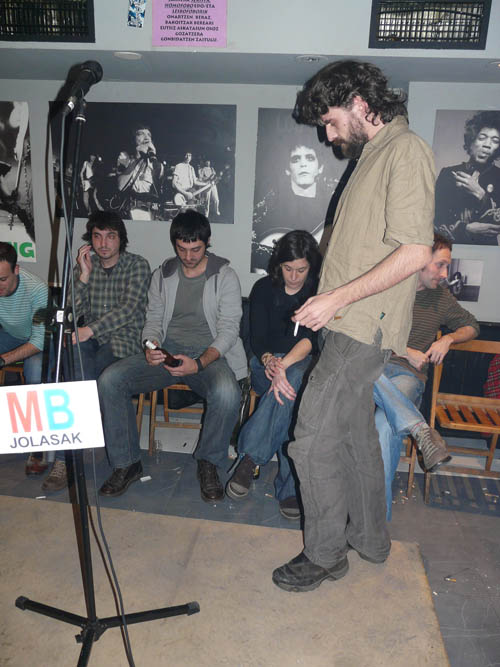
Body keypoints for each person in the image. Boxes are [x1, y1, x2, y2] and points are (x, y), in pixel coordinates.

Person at [272, 60, 435, 593]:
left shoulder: (404, 151)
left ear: (361, 104)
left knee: (311, 440)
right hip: (348, 323)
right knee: (356, 438)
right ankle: (370, 539)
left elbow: (415, 252)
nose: (327, 133)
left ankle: (324, 554)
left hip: (361, 326)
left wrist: (335, 299)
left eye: (330, 120)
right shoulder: (374, 154)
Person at [97, 210, 246, 502]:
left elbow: (229, 330)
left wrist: (199, 363)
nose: (188, 256)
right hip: (168, 352)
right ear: (174, 244)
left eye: (196, 249)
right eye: (182, 249)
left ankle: (208, 463)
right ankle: (127, 463)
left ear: (207, 243)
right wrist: (151, 345)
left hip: (209, 355)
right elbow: (152, 320)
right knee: (110, 380)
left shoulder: (225, 276)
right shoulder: (162, 275)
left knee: (228, 393)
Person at [41, 210, 151, 493]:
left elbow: (129, 309)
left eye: (110, 236)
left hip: (123, 343)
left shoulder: (137, 265)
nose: (103, 243)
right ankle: (69, 455)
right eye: (97, 236)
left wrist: (89, 330)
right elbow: (71, 310)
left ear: (121, 239)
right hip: (90, 342)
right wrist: (84, 276)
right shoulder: (86, 266)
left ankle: (69, 456)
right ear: (90, 240)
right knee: (68, 367)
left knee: (78, 376)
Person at [374, 233, 478, 519]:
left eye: (447, 266)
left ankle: (377, 521)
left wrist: (448, 339)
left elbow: (471, 325)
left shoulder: (440, 298)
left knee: (384, 425)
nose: (445, 274)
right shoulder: (387, 287)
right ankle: (421, 431)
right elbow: (364, 333)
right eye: (440, 265)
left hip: (405, 376)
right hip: (372, 367)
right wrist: (405, 350)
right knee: (362, 366)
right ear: (419, 260)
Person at [226, 231, 322, 519]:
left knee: (291, 385)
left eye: (301, 270)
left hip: (299, 363)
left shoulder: (318, 292)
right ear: (278, 265)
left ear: (311, 267)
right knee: (291, 395)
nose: (294, 276)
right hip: (264, 365)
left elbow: (309, 340)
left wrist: (284, 367)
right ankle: (289, 489)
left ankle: (250, 458)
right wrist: (271, 362)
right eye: (288, 268)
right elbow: (257, 339)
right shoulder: (263, 289)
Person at [0, 242, 52, 476]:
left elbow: (39, 341)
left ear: (16, 270)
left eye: (2, 279)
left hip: (41, 340)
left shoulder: (37, 289)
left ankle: (37, 447)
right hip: (11, 333)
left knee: (35, 369)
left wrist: (3, 360)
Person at [252, 140, 328, 272]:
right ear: (287, 169)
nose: (303, 164)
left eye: (310, 158)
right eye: (296, 159)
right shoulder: (268, 208)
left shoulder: (333, 209)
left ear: (320, 168)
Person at [435, 111, 500, 246]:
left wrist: (481, 194)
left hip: (485, 250)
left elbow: (496, 226)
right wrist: (465, 229)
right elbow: (435, 217)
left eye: (495, 141)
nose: (487, 145)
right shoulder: (448, 173)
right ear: (471, 140)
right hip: (450, 248)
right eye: (482, 138)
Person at [115, 124, 163, 220]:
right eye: (141, 134)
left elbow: (159, 192)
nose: (146, 137)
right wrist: (138, 158)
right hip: (130, 210)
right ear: (134, 139)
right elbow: (120, 186)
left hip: (150, 213)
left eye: (149, 135)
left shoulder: (157, 165)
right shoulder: (125, 157)